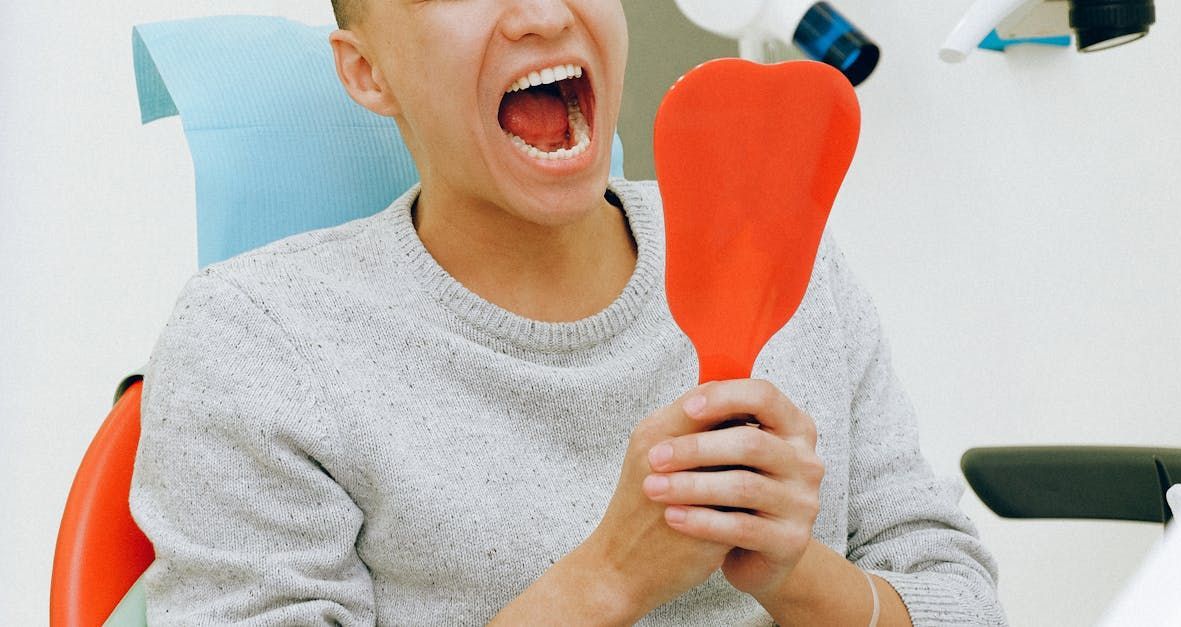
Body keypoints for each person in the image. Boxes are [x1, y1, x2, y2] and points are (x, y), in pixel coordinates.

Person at [129, 1, 1007, 625]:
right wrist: (609, 580)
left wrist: (800, 576)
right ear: (368, 72)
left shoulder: (786, 259)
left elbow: (960, 598)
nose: (542, 14)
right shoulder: (256, 343)